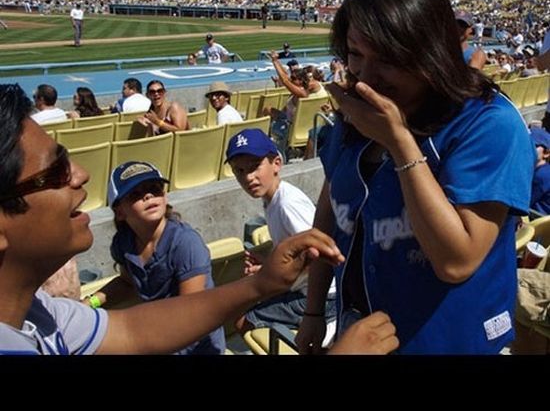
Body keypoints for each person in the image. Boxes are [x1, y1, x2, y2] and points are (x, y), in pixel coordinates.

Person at [0, 81, 399, 355]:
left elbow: (134, 330)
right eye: (56, 172)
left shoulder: (38, 314)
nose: (81, 175)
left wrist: (261, 283)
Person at [295, 0, 535, 355]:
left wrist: (400, 144)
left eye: (388, 58)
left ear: (430, 51)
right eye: (356, 54)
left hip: (455, 342)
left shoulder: (489, 124)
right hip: (362, 333)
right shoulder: (356, 114)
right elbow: (333, 207)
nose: (367, 77)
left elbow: (456, 262)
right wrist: (314, 310)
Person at [85, 160, 225, 355]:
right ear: (120, 212)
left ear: (165, 196)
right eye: (135, 194)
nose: (148, 195)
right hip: (159, 334)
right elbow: (127, 283)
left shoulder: (185, 242)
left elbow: (190, 314)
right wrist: (90, 303)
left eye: (155, 189)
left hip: (196, 346)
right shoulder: (123, 242)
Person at [226, 129, 337, 335]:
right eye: (239, 171)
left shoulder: (287, 204)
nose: (249, 177)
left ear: (276, 163)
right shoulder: (272, 199)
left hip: (321, 298)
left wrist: (268, 271)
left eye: (254, 167)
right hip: (304, 288)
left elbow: (321, 255)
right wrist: (269, 263)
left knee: (241, 321)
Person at [529, 127, 550, 216]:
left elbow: (525, 201)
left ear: (546, 153)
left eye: (534, 145)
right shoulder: (544, 170)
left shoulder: (541, 176)